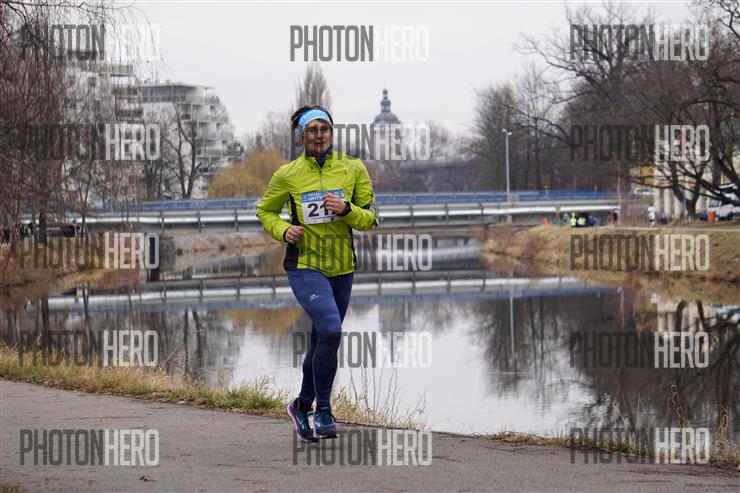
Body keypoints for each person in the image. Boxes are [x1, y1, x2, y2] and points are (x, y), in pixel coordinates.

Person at [256, 105, 379, 443]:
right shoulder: (288, 174)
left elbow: (370, 218)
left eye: (324, 129)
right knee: (331, 329)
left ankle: (301, 405)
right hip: (305, 265)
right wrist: (283, 230)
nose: (319, 135)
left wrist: (347, 209)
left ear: (331, 132)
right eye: (312, 130)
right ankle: (323, 410)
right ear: (302, 136)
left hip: (342, 267)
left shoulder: (353, 169)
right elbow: (265, 210)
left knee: (322, 338)